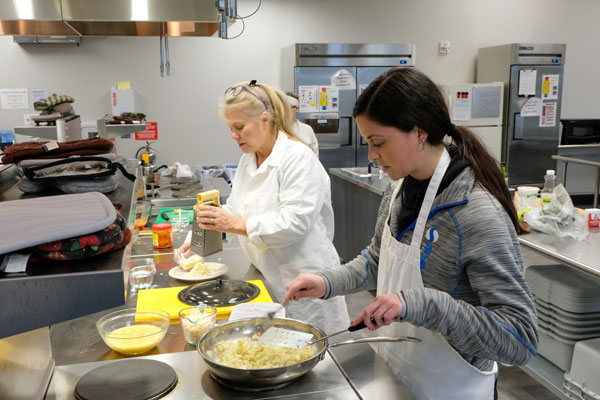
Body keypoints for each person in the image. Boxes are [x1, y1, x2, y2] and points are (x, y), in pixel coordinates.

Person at [283, 68, 538, 399]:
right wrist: (328, 282)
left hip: (450, 387)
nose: (372, 156)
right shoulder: (399, 190)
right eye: (367, 143)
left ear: (419, 132)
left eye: (378, 143)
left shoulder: (475, 214)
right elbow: (376, 261)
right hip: (395, 377)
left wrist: (422, 304)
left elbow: (519, 339)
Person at [179, 80, 350, 334]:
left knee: (318, 355)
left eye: (239, 127)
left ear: (266, 119)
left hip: (305, 278)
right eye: (230, 128)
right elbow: (237, 207)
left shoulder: (297, 158)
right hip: (270, 275)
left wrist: (235, 225)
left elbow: (294, 223)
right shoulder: (249, 158)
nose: (233, 135)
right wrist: (202, 233)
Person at [285, 91, 319, 157]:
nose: (285, 111)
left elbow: (315, 156)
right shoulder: (276, 130)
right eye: (283, 108)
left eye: (288, 108)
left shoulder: (307, 130)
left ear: (297, 108)